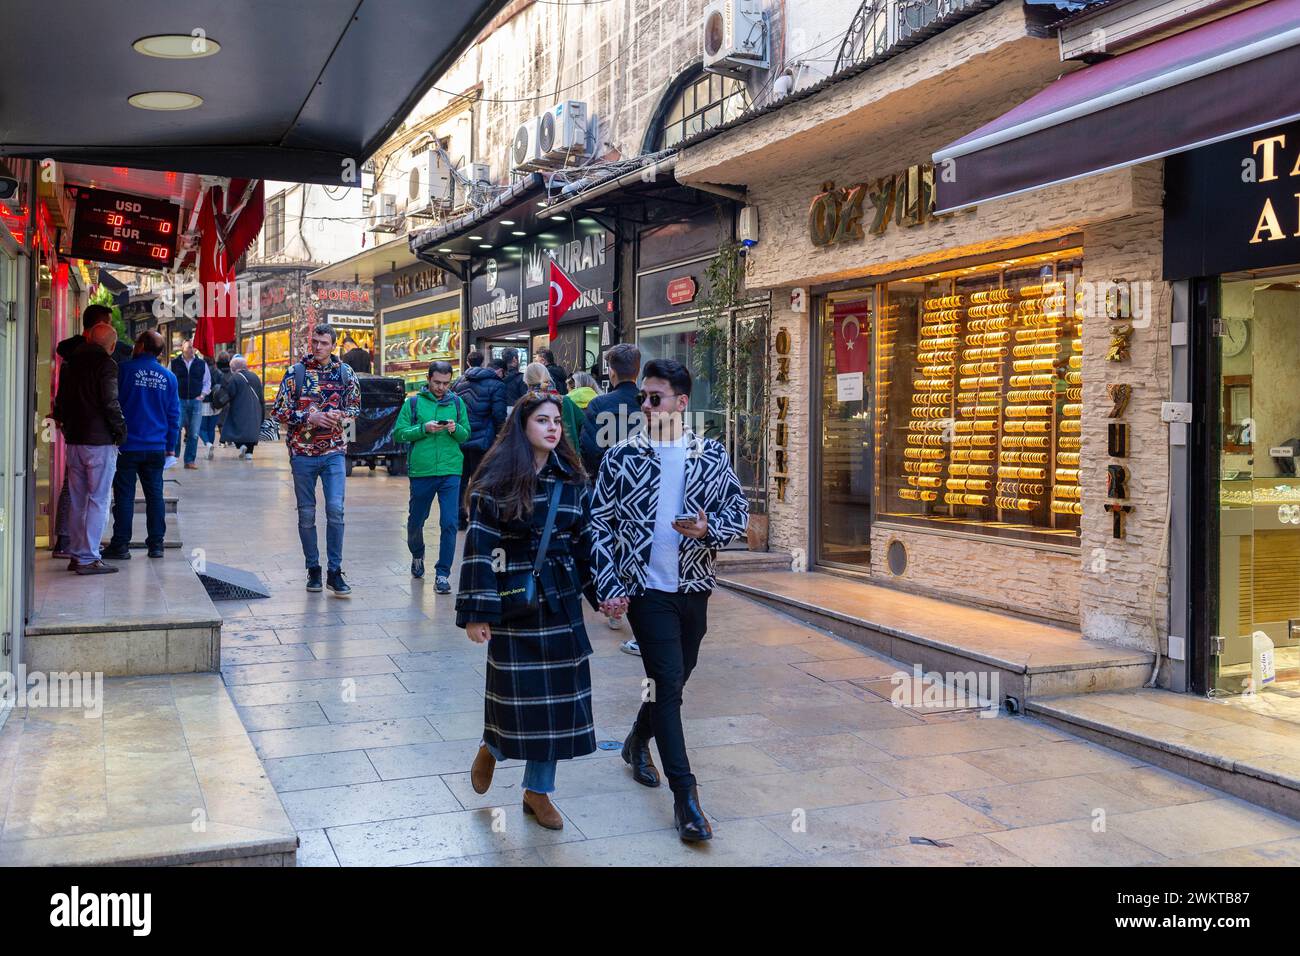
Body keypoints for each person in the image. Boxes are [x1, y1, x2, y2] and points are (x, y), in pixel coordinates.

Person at [590, 358, 750, 843]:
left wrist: (708, 530)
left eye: (654, 397)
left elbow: (738, 514)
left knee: (672, 681)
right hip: (645, 590)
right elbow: (600, 521)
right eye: (642, 396)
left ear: (682, 403)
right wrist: (609, 581)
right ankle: (686, 797)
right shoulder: (622, 456)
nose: (645, 404)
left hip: (694, 587)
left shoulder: (711, 455)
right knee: (667, 682)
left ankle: (638, 739)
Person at [456, 390, 599, 831]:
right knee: (515, 696)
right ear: (522, 427)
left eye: (557, 420)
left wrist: (603, 594)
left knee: (555, 704)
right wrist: (477, 613)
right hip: (514, 601)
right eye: (542, 420)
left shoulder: (573, 480)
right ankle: (493, 747)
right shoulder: (494, 482)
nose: (553, 427)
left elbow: (583, 545)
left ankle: (538, 791)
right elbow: (480, 548)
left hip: (560, 604)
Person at [272, 323, 361, 596]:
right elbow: (278, 410)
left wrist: (343, 419)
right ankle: (313, 569)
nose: (318, 347)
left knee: (336, 509)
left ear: (333, 345)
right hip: (302, 453)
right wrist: (307, 417)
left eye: (324, 342)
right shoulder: (295, 372)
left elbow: (355, 407)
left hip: (334, 452)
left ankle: (335, 571)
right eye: (315, 342)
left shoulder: (346, 373)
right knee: (307, 514)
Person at [52, 304, 130, 557]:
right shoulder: (106, 365)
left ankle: (76, 551)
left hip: (74, 440)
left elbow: (60, 400)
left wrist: (66, 425)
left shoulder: (70, 362)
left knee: (77, 499)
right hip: (99, 442)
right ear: (110, 345)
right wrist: (120, 431)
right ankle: (88, 556)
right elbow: (110, 402)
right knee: (98, 499)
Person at [579, 343, 643, 642]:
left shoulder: (600, 405)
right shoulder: (649, 403)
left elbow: (589, 448)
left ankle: (615, 604)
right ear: (639, 369)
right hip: (644, 489)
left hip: (606, 487)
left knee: (606, 541)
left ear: (611, 371)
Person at [393, 360, 470, 591]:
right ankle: (417, 554)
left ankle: (443, 574)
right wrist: (423, 429)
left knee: (449, 522)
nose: (441, 387)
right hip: (422, 471)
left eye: (446, 383)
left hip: (451, 470)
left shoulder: (457, 403)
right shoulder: (413, 403)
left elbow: (466, 435)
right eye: (437, 382)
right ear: (428, 380)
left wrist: (456, 429)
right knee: (416, 520)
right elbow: (399, 434)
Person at [104, 331, 179, 561]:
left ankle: (121, 545)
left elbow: (112, 403)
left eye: (137, 342)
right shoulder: (168, 377)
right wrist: (171, 446)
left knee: (124, 496)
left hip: (127, 446)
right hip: (156, 447)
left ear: (143, 346)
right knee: (155, 495)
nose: (133, 345)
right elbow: (174, 414)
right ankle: (156, 545)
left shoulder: (124, 370)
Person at [453, 349, 507, 530]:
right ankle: (477, 517)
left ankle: (459, 517)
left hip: (460, 437)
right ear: (483, 362)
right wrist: (501, 437)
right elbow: (499, 415)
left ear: (468, 363)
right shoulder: (496, 384)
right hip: (483, 440)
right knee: (481, 480)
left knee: (460, 480)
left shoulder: (458, 382)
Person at [170, 339, 211, 470]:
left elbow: (207, 382)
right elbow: (168, 379)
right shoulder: (174, 363)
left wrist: (203, 395)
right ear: (182, 348)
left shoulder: (201, 364)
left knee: (194, 432)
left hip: (196, 401)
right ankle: (173, 457)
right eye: (188, 347)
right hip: (179, 401)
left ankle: (189, 461)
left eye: (193, 347)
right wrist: (172, 396)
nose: (191, 350)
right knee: (176, 429)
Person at [222, 355, 264, 459]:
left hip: (239, 409)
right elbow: (261, 396)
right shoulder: (255, 376)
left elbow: (229, 393)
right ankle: (249, 453)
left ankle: (241, 447)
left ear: (234, 368)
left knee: (237, 430)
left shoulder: (235, 378)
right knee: (251, 431)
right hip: (255, 410)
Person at [201, 352, 232, 459]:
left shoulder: (202, 371)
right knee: (210, 428)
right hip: (216, 404)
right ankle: (210, 447)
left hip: (204, 402)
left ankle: (208, 444)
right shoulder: (218, 372)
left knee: (201, 428)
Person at [561, 370, 599, 453]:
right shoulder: (600, 401)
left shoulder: (566, 402)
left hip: (573, 453)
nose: (567, 388)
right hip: (596, 450)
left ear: (574, 386)